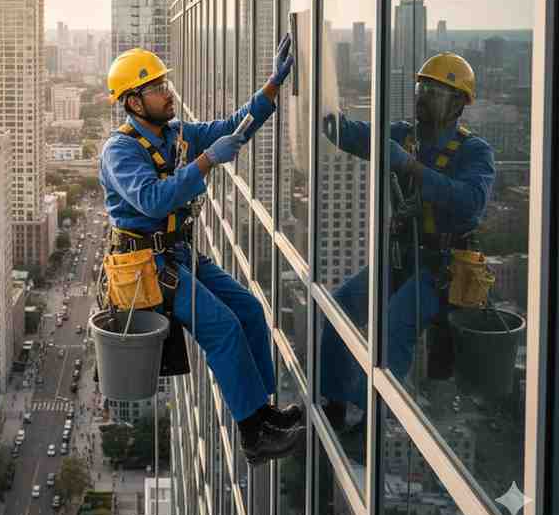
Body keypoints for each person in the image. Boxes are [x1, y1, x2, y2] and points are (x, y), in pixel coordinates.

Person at [100, 38, 305, 466]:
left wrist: (271, 87)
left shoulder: (176, 135)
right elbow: (153, 200)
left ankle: (262, 412)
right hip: (145, 266)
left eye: (164, 84)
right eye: (157, 88)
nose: (167, 93)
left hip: (176, 253)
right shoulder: (120, 151)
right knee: (222, 328)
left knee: (248, 310)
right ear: (134, 103)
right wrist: (207, 161)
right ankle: (254, 436)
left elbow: (234, 127)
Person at [319, 53, 495, 435]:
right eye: (422, 88)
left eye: (435, 91)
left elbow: (471, 200)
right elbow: (345, 132)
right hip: (400, 259)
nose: (424, 96)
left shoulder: (474, 152)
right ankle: (333, 403)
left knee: (393, 327)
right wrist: (314, 82)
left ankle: (370, 426)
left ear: (458, 104)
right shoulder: (402, 135)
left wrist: (411, 168)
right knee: (339, 308)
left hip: (442, 270)